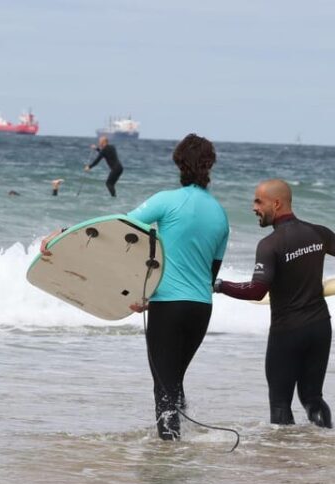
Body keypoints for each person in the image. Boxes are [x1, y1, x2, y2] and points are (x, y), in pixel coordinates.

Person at [40, 134, 228, 441]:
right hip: (200, 309)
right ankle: (184, 449)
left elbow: (115, 230)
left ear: (178, 162)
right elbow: (208, 274)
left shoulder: (166, 200)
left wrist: (63, 234)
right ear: (210, 165)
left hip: (169, 307)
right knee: (174, 380)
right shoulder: (220, 214)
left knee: (163, 385)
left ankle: (169, 457)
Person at [213, 179, 335, 428]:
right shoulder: (317, 233)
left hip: (287, 332)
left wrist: (220, 285)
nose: (253, 207)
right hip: (319, 328)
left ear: (276, 204)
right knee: (312, 397)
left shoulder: (269, 245)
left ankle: (285, 460)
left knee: (280, 404)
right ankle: (322, 444)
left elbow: (256, 290)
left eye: (258, 201)